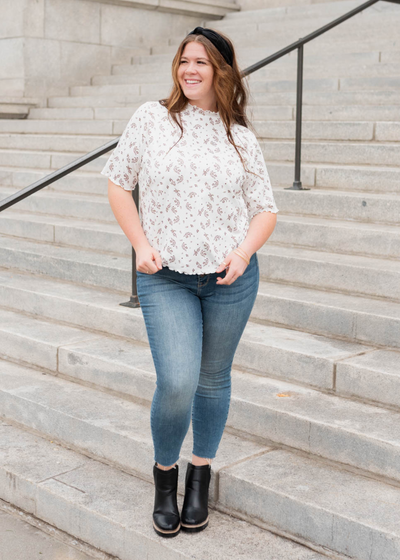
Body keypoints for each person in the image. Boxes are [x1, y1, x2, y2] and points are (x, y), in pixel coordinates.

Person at [101, 26, 278, 538]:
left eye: (202, 62)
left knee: (214, 378)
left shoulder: (239, 136)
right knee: (177, 382)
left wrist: (244, 253)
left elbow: (265, 210)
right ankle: (165, 475)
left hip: (230, 279)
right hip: (167, 277)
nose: (190, 70)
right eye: (184, 60)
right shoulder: (152, 118)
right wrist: (140, 242)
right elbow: (118, 182)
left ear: (222, 71)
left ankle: (199, 474)